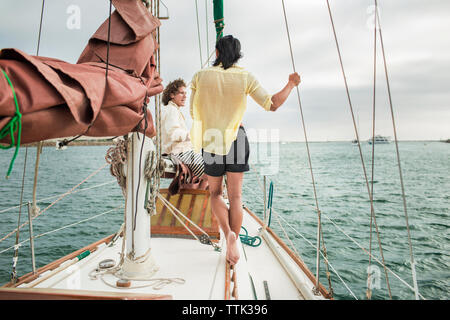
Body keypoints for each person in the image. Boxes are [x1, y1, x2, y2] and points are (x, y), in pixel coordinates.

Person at [189, 35, 301, 265]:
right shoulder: (245, 77)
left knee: (215, 193)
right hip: (237, 137)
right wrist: (291, 84)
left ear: (217, 53)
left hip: (211, 139)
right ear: (238, 55)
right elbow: (273, 104)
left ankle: (227, 234)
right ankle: (235, 239)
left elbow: (192, 112)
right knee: (236, 195)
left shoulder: (200, 76)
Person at [161, 78, 205, 182]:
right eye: (181, 93)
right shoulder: (172, 110)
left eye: (185, 93)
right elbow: (174, 134)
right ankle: (218, 195)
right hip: (180, 153)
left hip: (178, 152)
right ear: (172, 95)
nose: (185, 96)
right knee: (215, 172)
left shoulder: (169, 110)